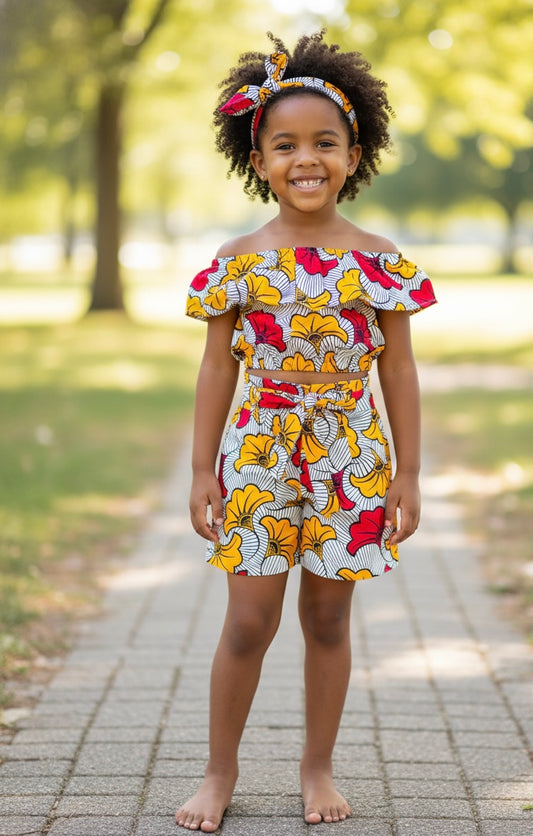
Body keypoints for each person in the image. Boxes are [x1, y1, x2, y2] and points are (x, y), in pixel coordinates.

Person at [177, 30, 437, 832]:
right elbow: (218, 369)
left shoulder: (378, 261)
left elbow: (397, 370)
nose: (305, 159)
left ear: (353, 153)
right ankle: (219, 773)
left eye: (324, 142)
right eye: (284, 145)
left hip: (351, 453)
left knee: (327, 619)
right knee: (249, 621)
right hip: (259, 452)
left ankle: (315, 766)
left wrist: (407, 473)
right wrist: (199, 471)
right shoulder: (238, 261)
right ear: (257, 161)